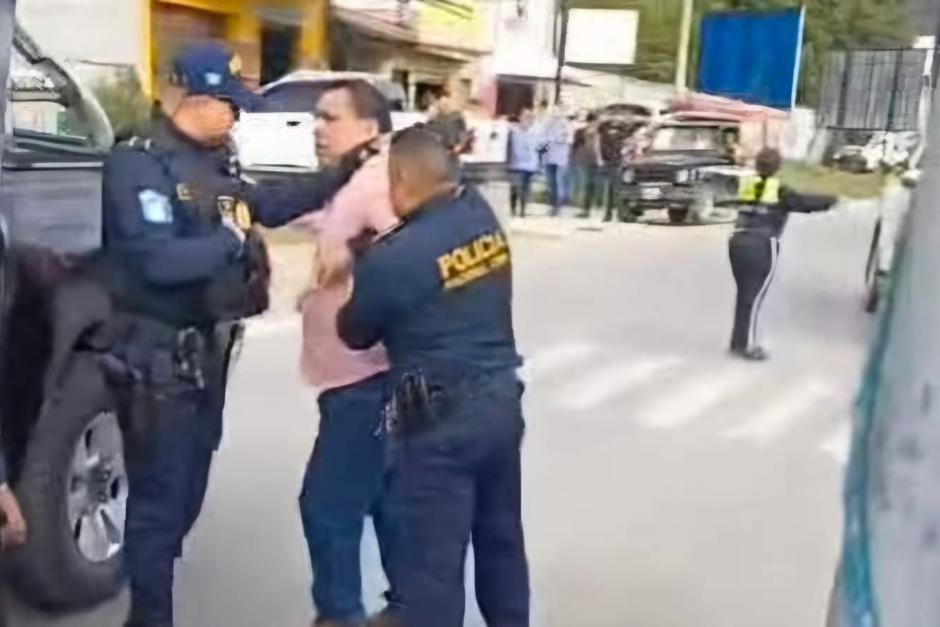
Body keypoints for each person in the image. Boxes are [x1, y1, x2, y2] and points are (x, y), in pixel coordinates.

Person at [101, 42, 369, 627]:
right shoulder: (139, 163)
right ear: (195, 98)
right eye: (230, 104)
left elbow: (267, 205)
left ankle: (155, 578)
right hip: (156, 354)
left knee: (189, 489)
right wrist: (229, 240)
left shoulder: (217, 159)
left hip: (207, 352)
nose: (239, 116)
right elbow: (156, 261)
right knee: (159, 501)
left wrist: (342, 173)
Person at [338, 126, 529, 627]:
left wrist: (365, 267)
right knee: (501, 541)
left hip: (439, 426)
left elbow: (354, 332)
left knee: (432, 571)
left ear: (400, 179)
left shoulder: (393, 257)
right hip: (501, 405)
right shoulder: (479, 213)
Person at [282, 79, 399, 627]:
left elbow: (411, 250)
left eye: (331, 117)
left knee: (327, 506)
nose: (318, 127)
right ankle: (413, 608)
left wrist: (354, 256)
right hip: (355, 375)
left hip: (367, 375)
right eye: (317, 117)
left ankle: (340, 615)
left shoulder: (380, 182)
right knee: (383, 500)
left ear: (370, 128)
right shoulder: (357, 179)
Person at [728, 148, 836, 361]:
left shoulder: (747, 185)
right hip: (761, 244)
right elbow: (807, 204)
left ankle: (737, 342)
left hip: (737, 241)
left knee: (744, 294)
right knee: (755, 297)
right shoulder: (781, 190)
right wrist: (833, 198)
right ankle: (748, 346)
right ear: (778, 168)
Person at [538, 102, 572, 216]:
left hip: (561, 157)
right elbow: (542, 139)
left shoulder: (566, 124)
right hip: (549, 157)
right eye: (553, 111)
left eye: (557, 111)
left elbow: (569, 139)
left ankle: (558, 206)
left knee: (559, 181)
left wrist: (558, 138)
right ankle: (553, 205)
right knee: (551, 182)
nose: (555, 113)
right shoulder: (546, 124)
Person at [507, 108, 541, 218]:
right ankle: (512, 209)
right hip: (516, 164)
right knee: (515, 187)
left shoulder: (536, 132)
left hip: (531, 164)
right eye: (525, 117)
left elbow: (543, 146)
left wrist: (539, 157)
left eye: (530, 118)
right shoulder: (513, 130)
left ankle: (522, 210)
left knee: (526, 188)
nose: (527, 120)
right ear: (520, 118)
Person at [571, 112, 603, 218]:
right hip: (585, 162)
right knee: (586, 185)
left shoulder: (598, 133)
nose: (598, 123)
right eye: (596, 121)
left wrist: (599, 160)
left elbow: (598, 148)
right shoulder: (581, 132)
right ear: (591, 121)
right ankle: (585, 209)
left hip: (595, 162)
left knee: (592, 186)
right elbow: (575, 147)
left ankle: (588, 209)